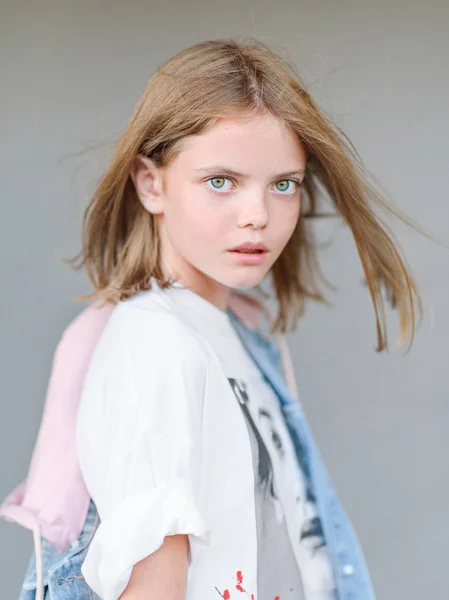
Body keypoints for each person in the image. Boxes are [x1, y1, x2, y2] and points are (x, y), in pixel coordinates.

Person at [1, 38, 421, 600]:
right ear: (151, 183)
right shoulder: (156, 344)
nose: (258, 216)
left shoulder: (245, 343)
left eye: (283, 184)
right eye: (220, 181)